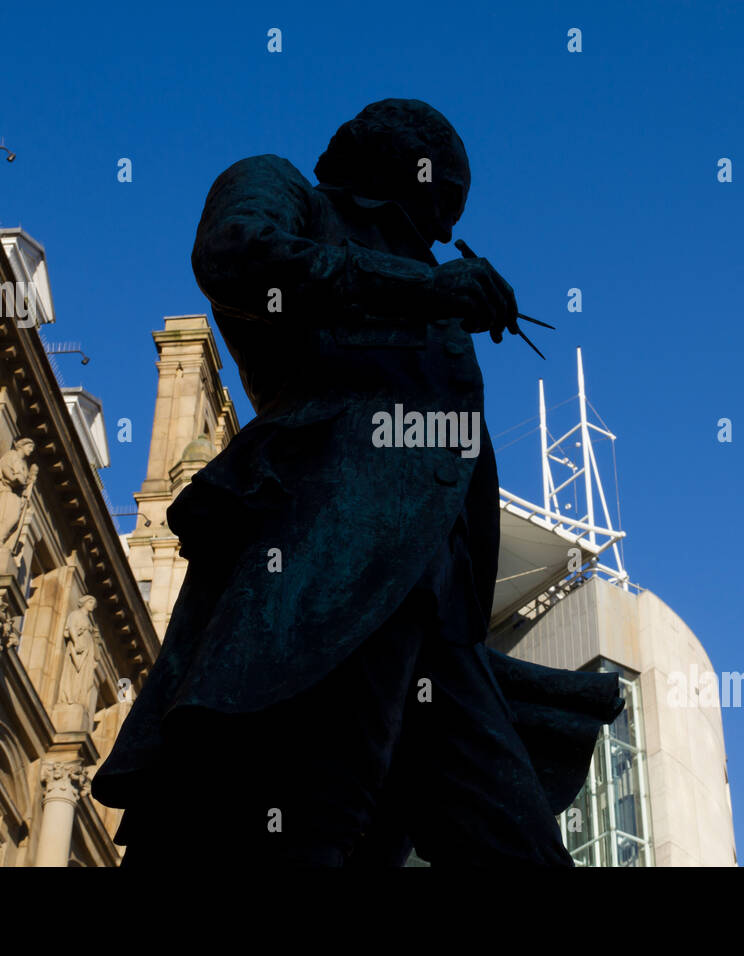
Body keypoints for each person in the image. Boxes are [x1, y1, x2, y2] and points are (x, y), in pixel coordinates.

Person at [92, 99, 621, 866]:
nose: (444, 232)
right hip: (325, 569)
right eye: (445, 200)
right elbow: (239, 255)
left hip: (435, 613)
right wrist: (428, 288)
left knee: (520, 842)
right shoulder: (287, 192)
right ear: (404, 165)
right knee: (313, 815)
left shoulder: (420, 277)